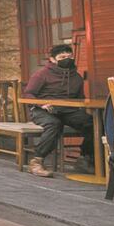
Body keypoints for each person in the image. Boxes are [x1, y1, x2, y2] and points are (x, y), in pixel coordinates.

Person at [23, 44, 94, 177]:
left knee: (93, 123)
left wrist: (81, 109)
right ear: (53, 59)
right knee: (53, 124)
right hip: (43, 110)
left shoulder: (76, 77)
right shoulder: (41, 74)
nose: (67, 59)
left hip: (68, 111)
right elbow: (28, 94)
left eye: (69, 56)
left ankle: (85, 158)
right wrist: (42, 104)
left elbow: (80, 98)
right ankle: (36, 162)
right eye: (62, 57)